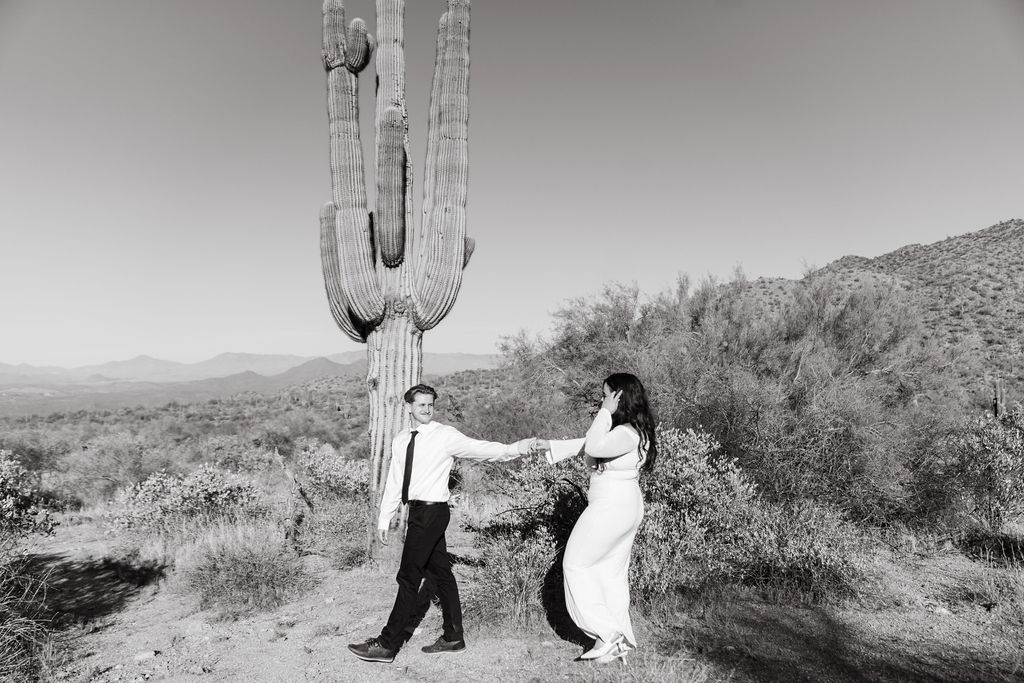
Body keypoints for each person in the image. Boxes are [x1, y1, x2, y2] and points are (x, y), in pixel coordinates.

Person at [347, 383, 536, 664]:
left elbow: (482, 449)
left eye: (430, 404)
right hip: (417, 512)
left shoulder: (444, 435)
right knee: (442, 575)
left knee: (409, 577)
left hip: (432, 513)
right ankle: (453, 637)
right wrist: (384, 517)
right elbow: (395, 479)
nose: (426, 409)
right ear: (408, 407)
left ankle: (387, 645)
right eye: (421, 404)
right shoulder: (401, 439)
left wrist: (518, 448)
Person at [534, 372, 657, 664]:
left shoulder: (626, 432)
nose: (602, 401)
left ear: (619, 398)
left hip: (611, 507)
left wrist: (604, 412)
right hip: (624, 505)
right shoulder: (630, 432)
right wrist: (550, 446)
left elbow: (594, 446)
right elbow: (595, 442)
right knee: (609, 573)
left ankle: (608, 633)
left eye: (606, 395)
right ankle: (616, 644)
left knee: (574, 564)